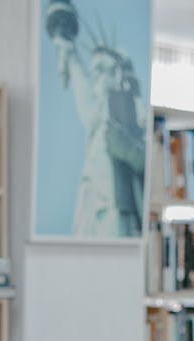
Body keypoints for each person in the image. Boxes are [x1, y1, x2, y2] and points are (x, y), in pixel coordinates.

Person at [46, 0, 146, 238]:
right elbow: (86, 101)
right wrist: (69, 56)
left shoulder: (131, 111)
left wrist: (126, 147)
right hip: (93, 199)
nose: (97, 79)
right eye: (95, 72)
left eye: (103, 70)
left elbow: (145, 157)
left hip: (119, 202)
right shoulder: (97, 115)